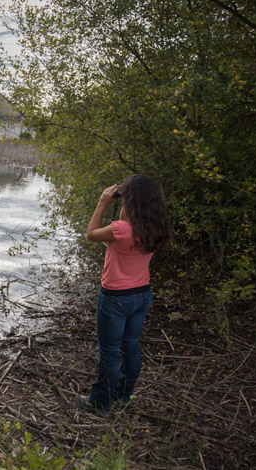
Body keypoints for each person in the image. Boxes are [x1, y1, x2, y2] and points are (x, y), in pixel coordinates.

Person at [75, 174, 171, 418]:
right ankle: (124, 394)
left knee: (109, 351)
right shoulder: (156, 227)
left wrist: (103, 202)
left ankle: (101, 402)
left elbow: (91, 233)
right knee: (130, 346)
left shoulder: (120, 229)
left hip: (115, 297)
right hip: (141, 295)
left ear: (131, 201)